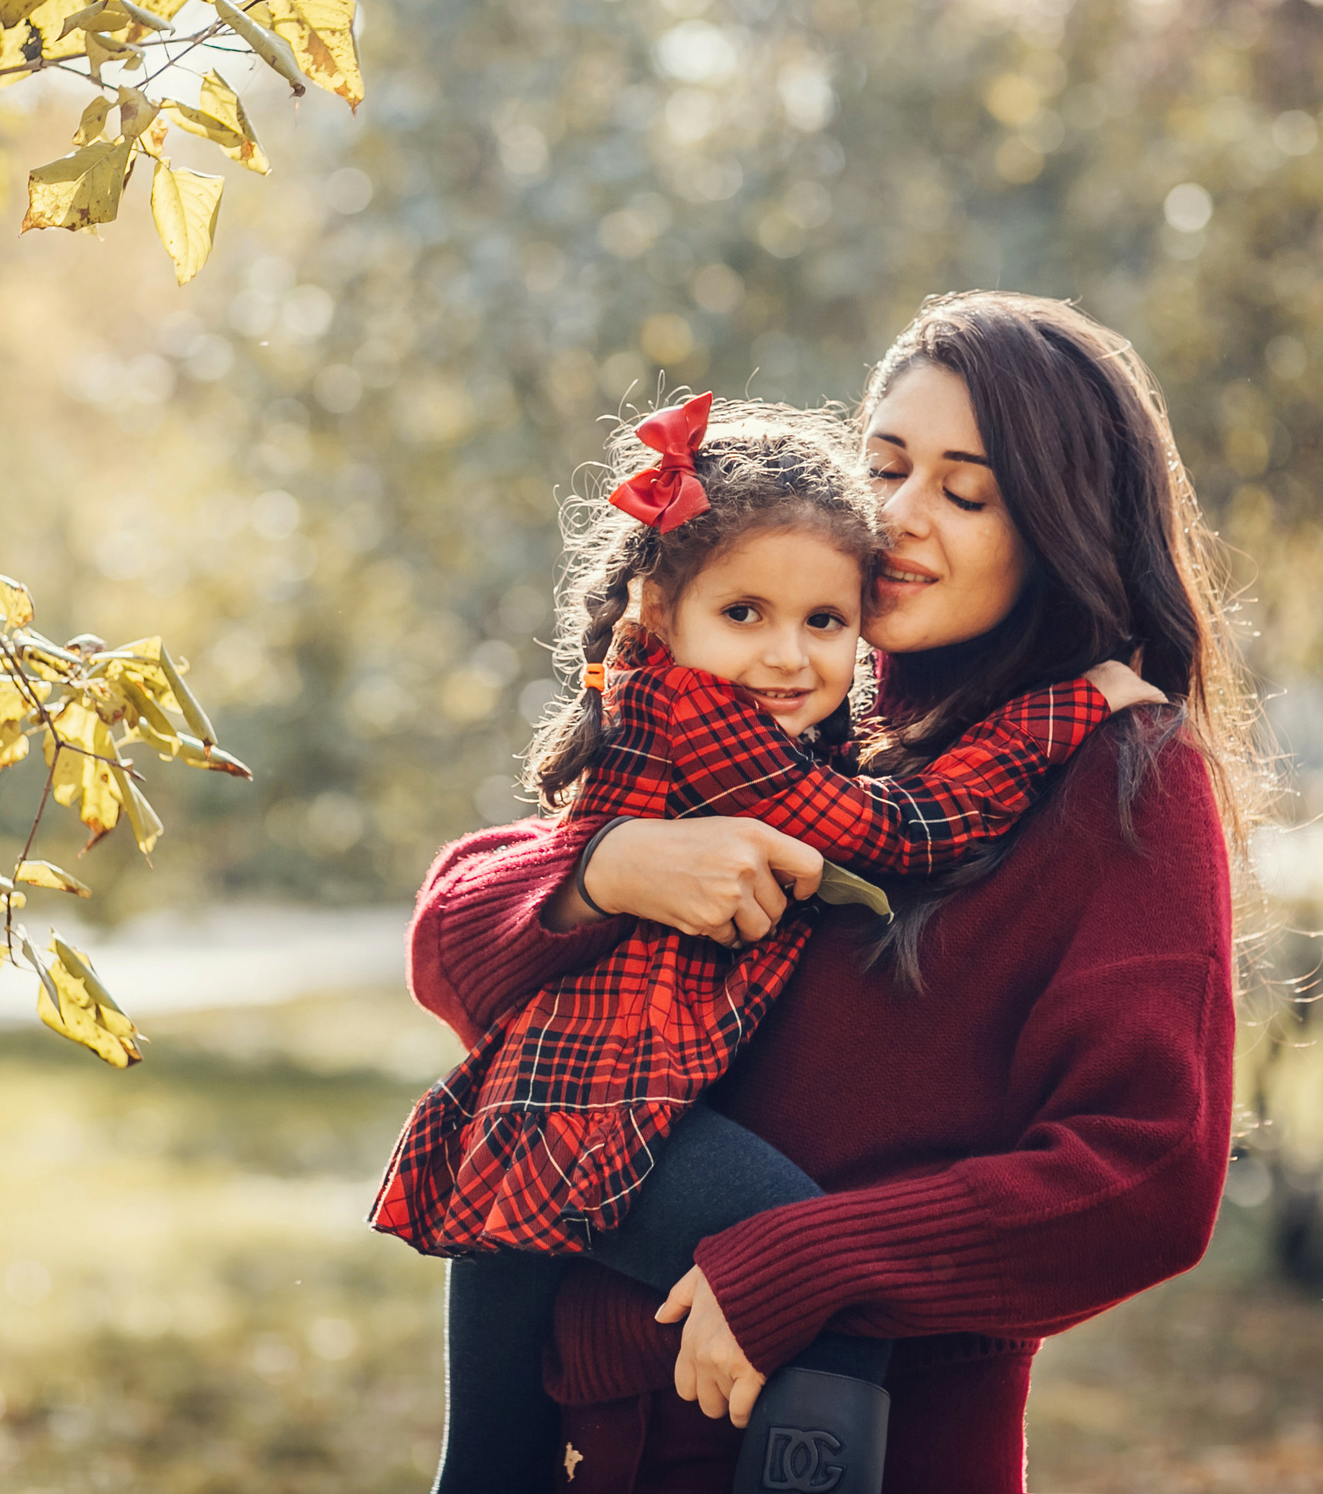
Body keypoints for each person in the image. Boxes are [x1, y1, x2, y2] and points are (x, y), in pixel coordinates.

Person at [407, 292, 1262, 1492]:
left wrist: (809, 1263)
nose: (901, 518)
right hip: (606, 1445)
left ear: (1058, 523)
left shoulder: (1119, 774)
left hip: (872, 1451)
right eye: (886, 466)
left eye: (965, 492)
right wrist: (605, 872)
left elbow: (1146, 1176)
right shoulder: (801, 703)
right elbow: (454, 954)